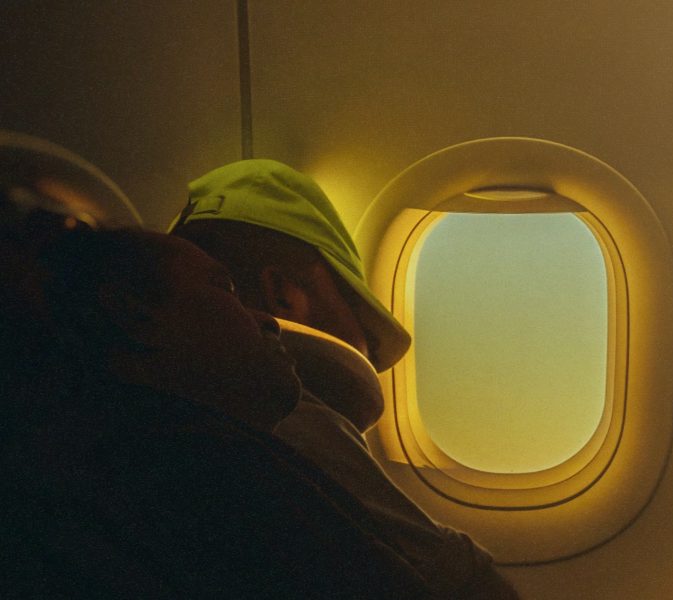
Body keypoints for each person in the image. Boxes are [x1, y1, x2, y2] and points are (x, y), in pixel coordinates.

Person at [0, 137, 430, 597]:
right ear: (133, 313)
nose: (266, 321)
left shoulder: (86, 456)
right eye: (222, 288)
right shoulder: (221, 462)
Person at [170, 159, 520, 599]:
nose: (371, 356)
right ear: (284, 293)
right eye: (359, 316)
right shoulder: (287, 415)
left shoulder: (159, 402)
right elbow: (464, 586)